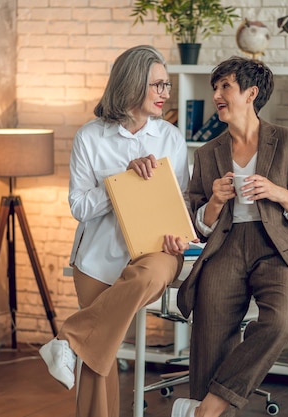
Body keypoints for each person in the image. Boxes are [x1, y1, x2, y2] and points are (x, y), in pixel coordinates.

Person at [172, 57, 288, 417]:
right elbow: (194, 225)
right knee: (210, 336)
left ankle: (206, 408)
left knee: (282, 319)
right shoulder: (207, 154)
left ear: (251, 93)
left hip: (276, 249)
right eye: (215, 88)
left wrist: (277, 192)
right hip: (225, 247)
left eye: (225, 86)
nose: (217, 95)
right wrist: (216, 202)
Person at [39, 45, 191, 417]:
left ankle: (69, 339)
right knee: (98, 355)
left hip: (157, 251)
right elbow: (79, 207)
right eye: (157, 85)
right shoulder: (90, 138)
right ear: (131, 85)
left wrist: (179, 236)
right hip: (98, 259)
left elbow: (182, 201)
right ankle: (80, 347)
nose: (165, 94)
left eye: (167, 85)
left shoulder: (170, 137)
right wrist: (120, 183)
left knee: (146, 276)